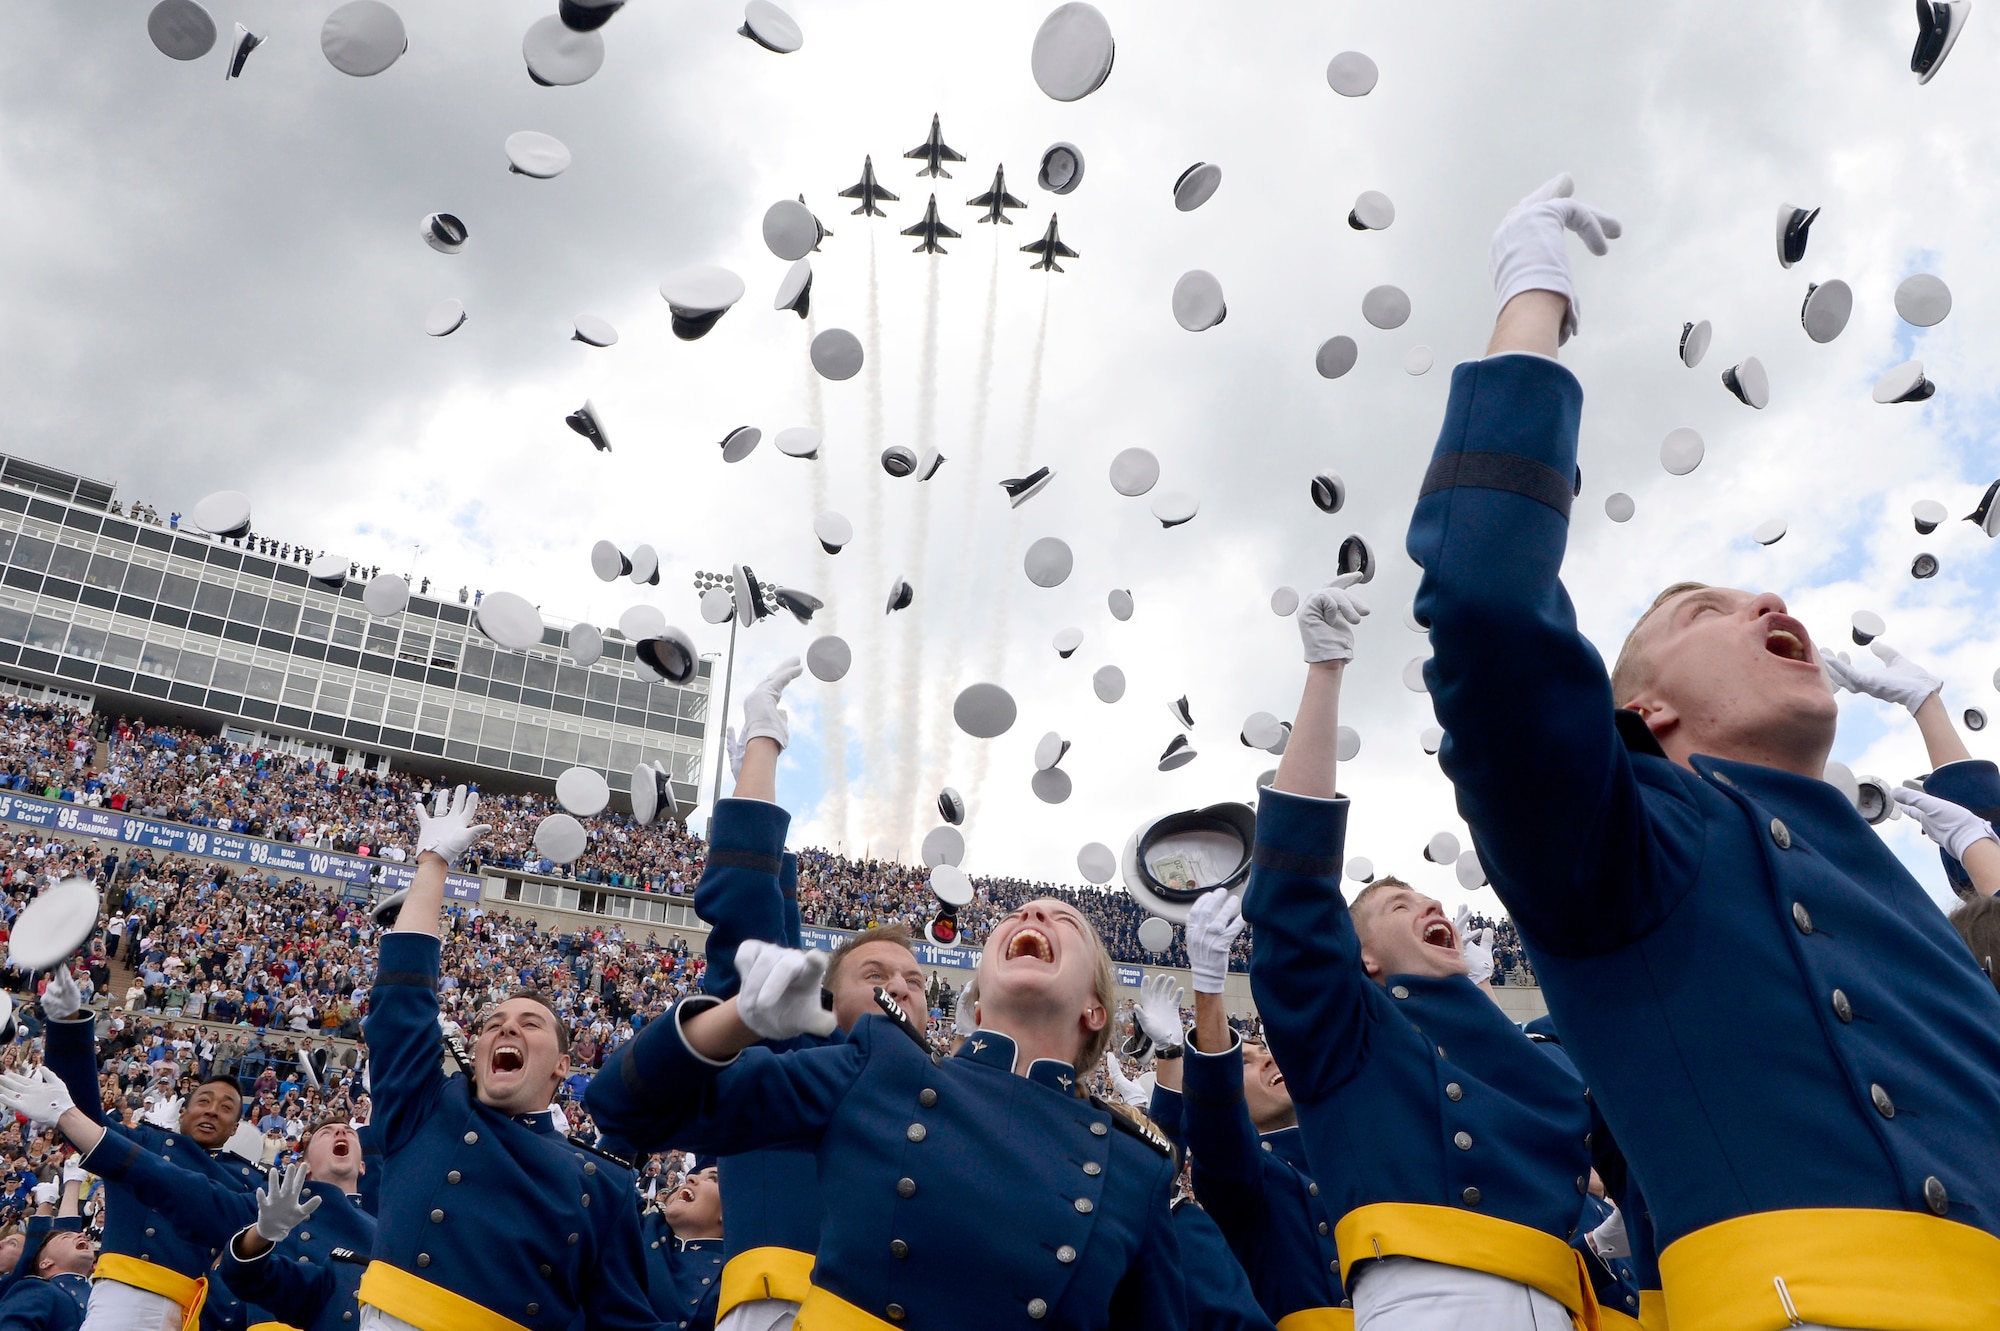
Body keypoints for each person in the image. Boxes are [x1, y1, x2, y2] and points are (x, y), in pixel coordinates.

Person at [1406, 172, 2000, 1325]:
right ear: (1647, 716)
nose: (1765, 597)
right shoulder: (1623, 841)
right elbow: (1481, 597)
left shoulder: (1885, 888)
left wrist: (1944, 734)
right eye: (1702, 610)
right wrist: (1533, 301)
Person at [588, 717, 1187, 1328]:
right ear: (976, 1005)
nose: (1033, 910)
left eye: (1068, 921)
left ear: (1095, 1010)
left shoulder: (1134, 1166)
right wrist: (738, 1020)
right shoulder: (878, 1071)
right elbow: (625, 1107)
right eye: (1018, 913)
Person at [1240, 576, 1594, 1329]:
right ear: (1362, 959)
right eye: (1399, 907)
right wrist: (1325, 673)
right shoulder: (1354, 1035)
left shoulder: (1542, 1053)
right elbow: (1291, 903)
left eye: (1432, 901)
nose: (1432, 906)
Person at [359, 785, 657, 1331]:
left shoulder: (604, 1186)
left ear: (563, 1065)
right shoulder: (425, 1108)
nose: (506, 1027)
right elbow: (401, 1002)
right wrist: (432, 866)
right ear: (474, 1051)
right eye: (493, 1023)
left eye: (530, 1023)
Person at [689, 660, 927, 1331]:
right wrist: (760, 754)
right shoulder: (798, 1061)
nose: (899, 989)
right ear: (828, 999)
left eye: (914, 982)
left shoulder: (949, 1090)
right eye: (876, 976)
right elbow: (750, 922)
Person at [33, 964, 266, 1331]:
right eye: (204, 1100)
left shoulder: (246, 1178)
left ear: (235, 1128)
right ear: (183, 1110)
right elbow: (80, 1114)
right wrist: (66, 1024)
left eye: (226, 1109)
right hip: (118, 1299)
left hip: (193, 1311)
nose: (212, 1111)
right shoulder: (146, 1142)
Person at [1174, 893, 1345, 1329]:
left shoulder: (1343, 1150)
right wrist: (1209, 987)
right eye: (1244, 1062)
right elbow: (1217, 1128)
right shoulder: (1244, 1175)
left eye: (1264, 1051)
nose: (1269, 1059)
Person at [642, 1163, 723, 1331]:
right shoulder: (639, 1229)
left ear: (729, 1212)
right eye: (695, 1175)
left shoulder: (734, 1276)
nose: (690, 1177)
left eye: (713, 1179)